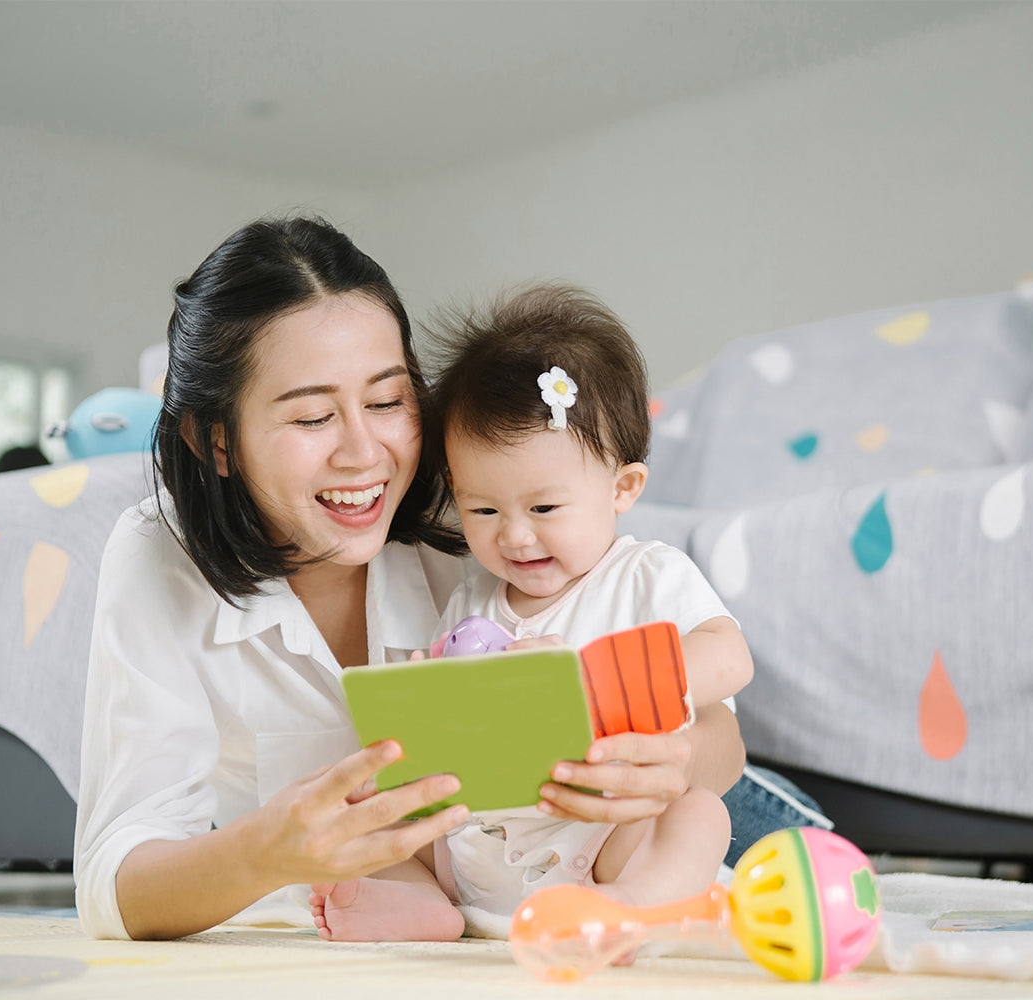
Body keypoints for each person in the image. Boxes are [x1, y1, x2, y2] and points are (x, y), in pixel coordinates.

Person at [72, 217, 749, 941]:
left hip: (635, 813)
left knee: (729, 822)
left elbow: (724, 741)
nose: (366, 455)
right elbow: (115, 877)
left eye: (390, 401)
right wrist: (268, 851)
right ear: (215, 442)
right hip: (481, 859)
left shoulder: (480, 500)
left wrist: (671, 760)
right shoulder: (159, 553)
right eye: (311, 417)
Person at [311, 285, 753, 938]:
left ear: (622, 487)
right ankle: (425, 906)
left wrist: (591, 681)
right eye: (484, 511)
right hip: (477, 848)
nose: (514, 537)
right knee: (383, 812)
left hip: (602, 844)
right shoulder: (472, 597)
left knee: (697, 816)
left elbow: (729, 656)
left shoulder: (644, 576)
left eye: (544, 509)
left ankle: (629, 911)